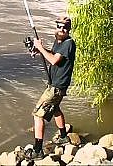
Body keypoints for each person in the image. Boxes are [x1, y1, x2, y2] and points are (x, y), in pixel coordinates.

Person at [27, 16, 76, 160]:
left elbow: (54, 60)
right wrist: (39, 50)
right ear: (56, 27)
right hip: (55, 84)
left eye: (65, 28)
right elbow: (54, 54)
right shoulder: (59, 41)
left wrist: (41, 47)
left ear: (69, 30)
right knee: (55, 109)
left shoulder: (68, 43)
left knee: (38, 115)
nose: (62, 30)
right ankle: (63, 137)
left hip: (56, 86)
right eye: (59, 26)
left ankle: (37, 151)